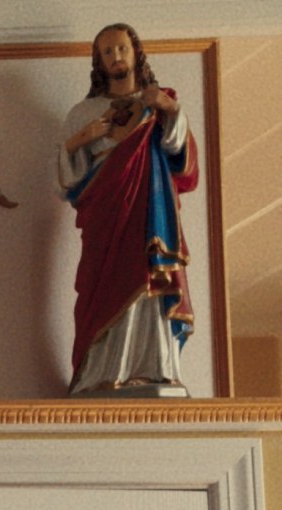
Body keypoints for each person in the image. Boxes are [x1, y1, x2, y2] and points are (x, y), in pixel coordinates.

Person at [55, 21, 199, 395]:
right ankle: (98, 374)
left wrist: (169, 108)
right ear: (99, 62)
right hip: (104, 214)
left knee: (148, 279)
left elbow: (183, 162)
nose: (116, 56)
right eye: (107, 51)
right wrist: (81, 139)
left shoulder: (158, 102)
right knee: (100, 286)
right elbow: (70, 184)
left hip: (150, 212)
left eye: (121, 48)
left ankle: (154, 368)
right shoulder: (83, 112)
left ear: (135, 52)